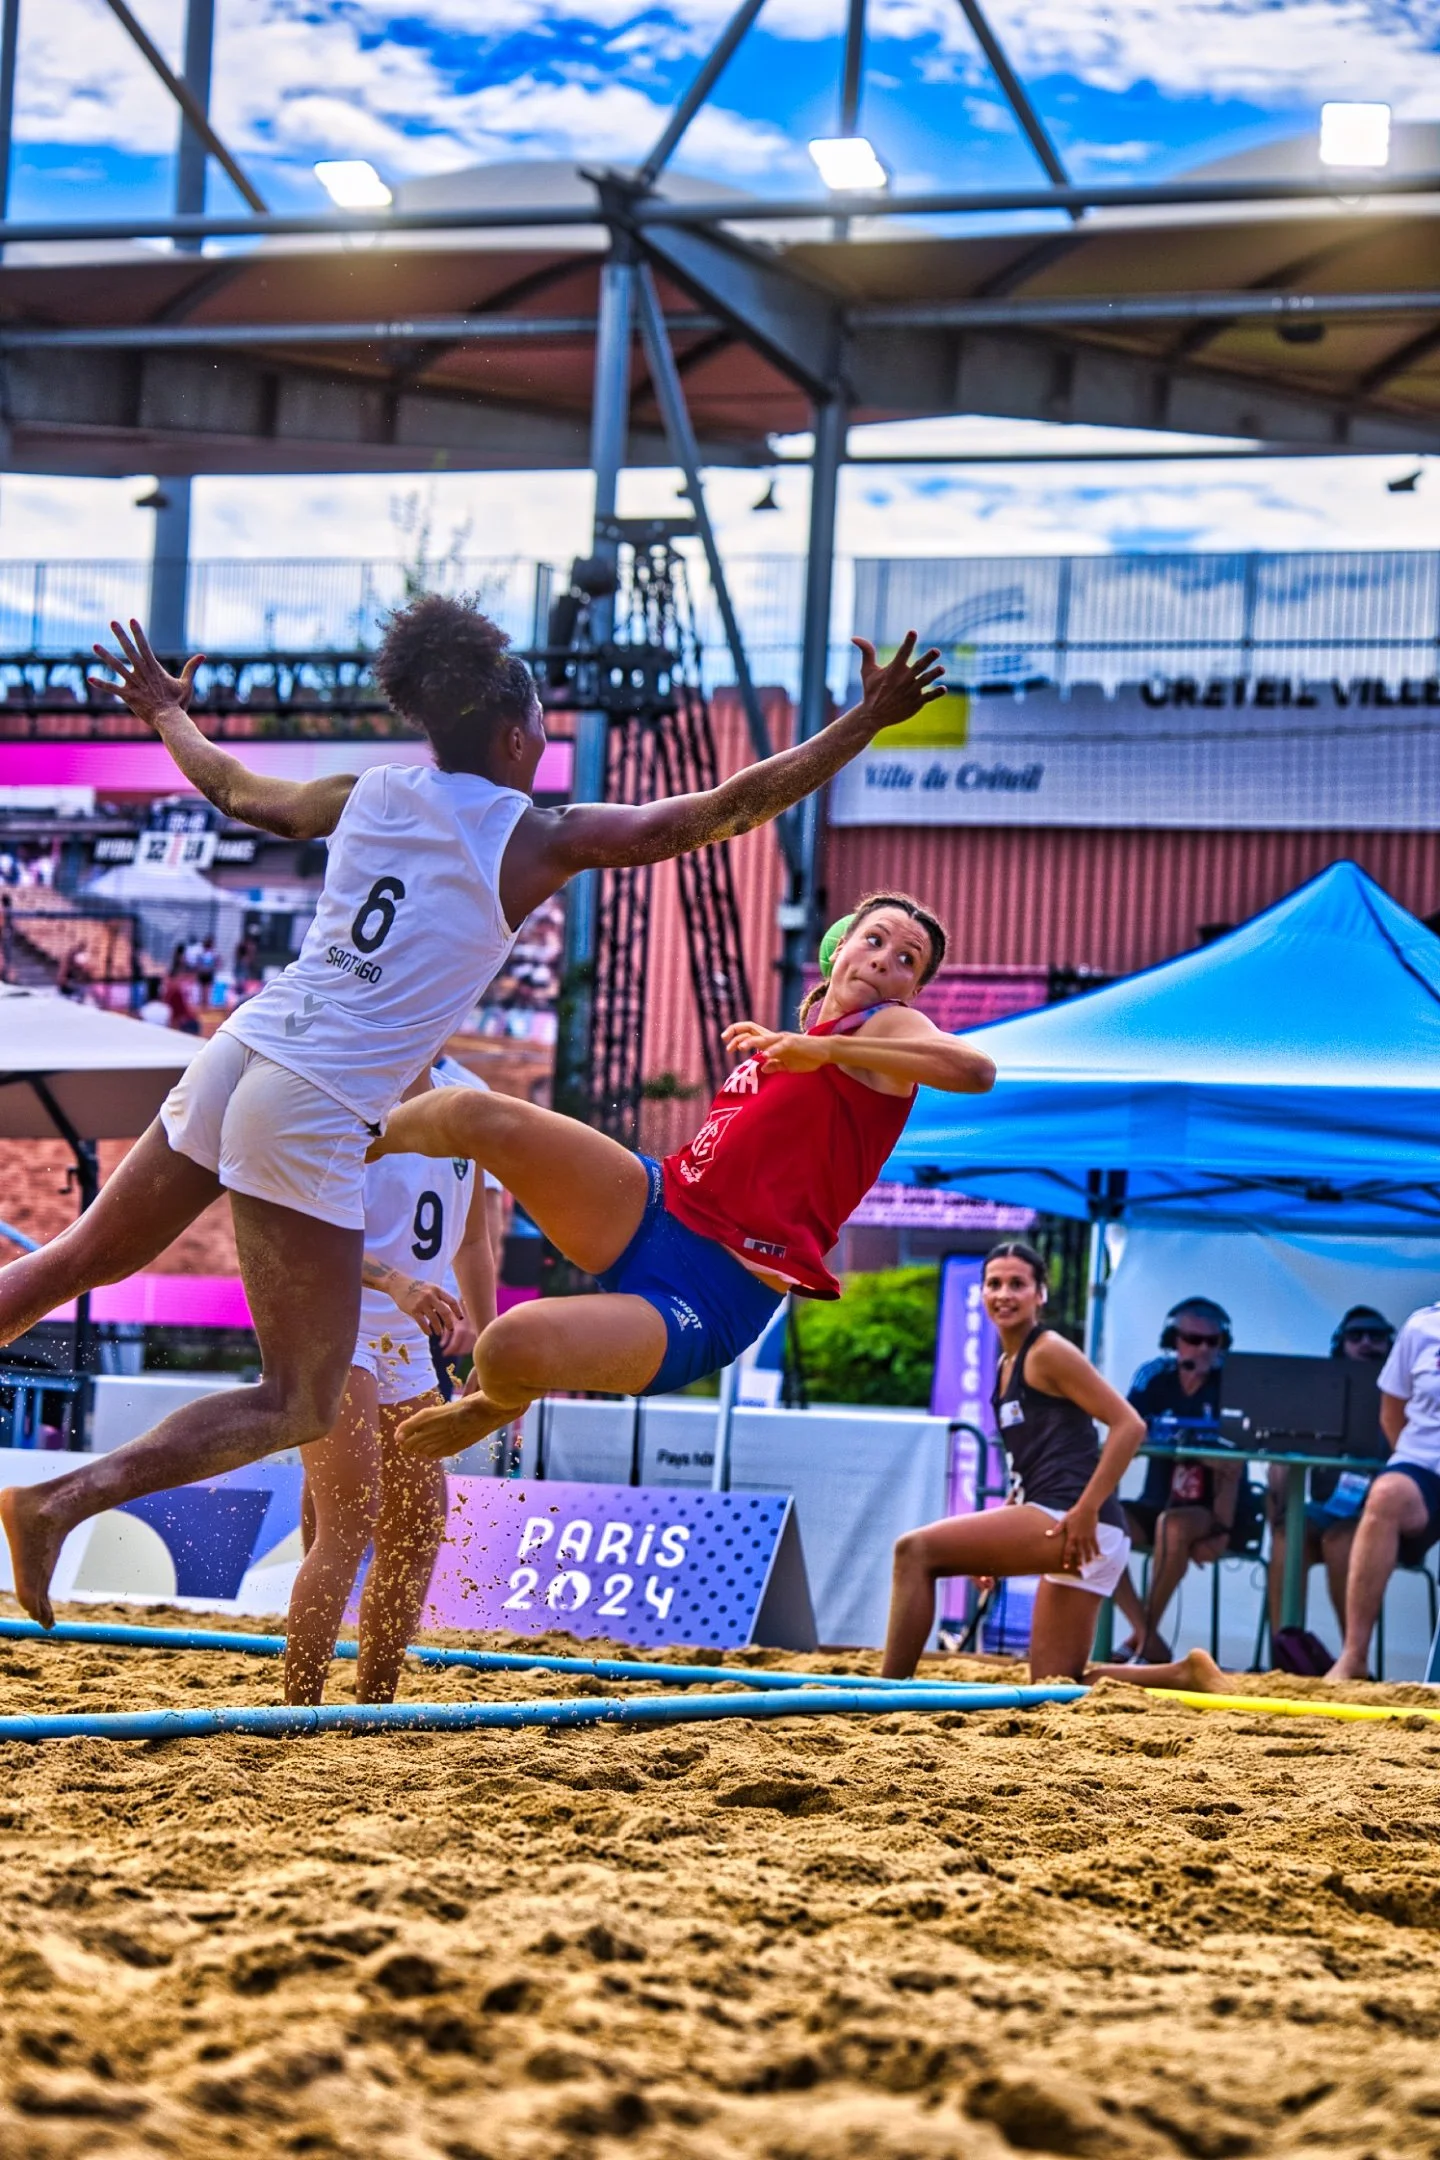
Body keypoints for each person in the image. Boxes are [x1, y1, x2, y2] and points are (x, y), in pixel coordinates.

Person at [0, 607, 945, 1628]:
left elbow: (238, 793)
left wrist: (165, 715)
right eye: (539, 724)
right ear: (513, 739)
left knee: (77, 1260)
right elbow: (720, 809)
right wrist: (863, 721)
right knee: (299, 1402)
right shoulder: (532, 832)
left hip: (246, 1043)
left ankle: (51, 1505)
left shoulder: (370, 792)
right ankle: (56, 1502)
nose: (543, 738)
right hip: (314, 1091)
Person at [366, 893, 996, 1459]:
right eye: (875, 939)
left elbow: (974, 1070)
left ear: (912, 993)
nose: (887, 959)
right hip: (658, 1204)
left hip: (713, 1295)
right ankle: (333, 1146)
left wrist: (829, 1051)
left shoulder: (882, 1031)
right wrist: (813, 1046)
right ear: (840, 950)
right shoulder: (797, 1040)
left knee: (503, 1348)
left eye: (908, 960)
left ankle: (501, 1402)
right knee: (471, 1113)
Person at [284, 1062, 495, 1706]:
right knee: (347, 1521)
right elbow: (305, 1229)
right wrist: (395, 1283)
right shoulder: (346, 1078)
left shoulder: (470, 1095)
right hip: (328, 1317)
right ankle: (296, 1714)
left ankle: (374, 1708)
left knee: (416, 1525)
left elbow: (473, 1239)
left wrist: (491, 1344)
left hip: (402, 1337)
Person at [881, 1241, 1145, 1683]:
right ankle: (1186, 1674)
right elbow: (1033, 1465)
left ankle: (885, 1695)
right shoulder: (1009, 1361)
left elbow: (1129, 1425)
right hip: (1083, 1528)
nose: (1004, 1294)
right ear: (981, 1293)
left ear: (1041, 1294)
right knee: (1057, 1686)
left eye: (1017, 1284)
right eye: (993, 1284)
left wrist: (1086, 1509)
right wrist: (1000, 1533)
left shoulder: (1047, 1351)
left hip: (1075, 1522)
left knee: (915, 1551)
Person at [1111, 1297, 1237, 1661]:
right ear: (1173, 1340)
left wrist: (1224, 1528)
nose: (1203, 1349)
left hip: (1206, 1511)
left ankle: (1139, 1640)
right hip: (1156, 1502)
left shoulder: (1235, 1381)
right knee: (1105, 1527)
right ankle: (1147, 1638)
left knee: (1173, 1528)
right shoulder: (1153, 1376)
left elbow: (1236, 1461)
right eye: (1193, 1339)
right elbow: (1127, 1433)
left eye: (1212, 1342)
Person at [1265, 1305, 1395, 1648]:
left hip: (1387, 1513)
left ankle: (1354, 1658)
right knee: (1286, 1535)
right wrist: (1275, 1497)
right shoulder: (1322, 1391)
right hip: (1326, 1507)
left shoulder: (1405, 1393)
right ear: (1341, 1344)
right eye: (1356, 1336)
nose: (1367, 1343)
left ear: (1390, 1344)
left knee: (1340, 1542)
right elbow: (1286, 1450)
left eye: (1376, 1336)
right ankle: (1285, 1655)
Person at [1327, 1299, 1440, 1680]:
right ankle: (1353, 1656)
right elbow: (1392, 1410)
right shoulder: (1422, 1325)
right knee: (1386, 1493)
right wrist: (1409, 1462)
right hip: (1425, 1467)